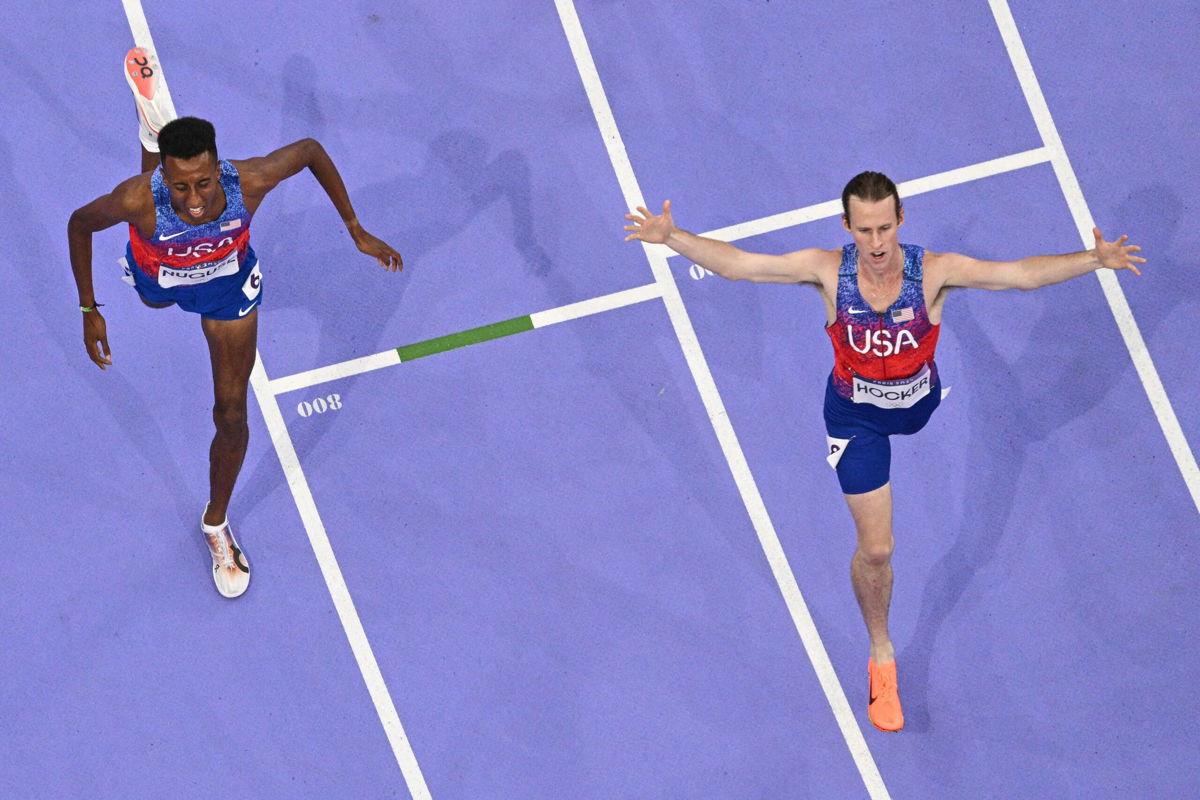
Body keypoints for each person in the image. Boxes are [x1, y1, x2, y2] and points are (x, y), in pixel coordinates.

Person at [622, 173, 1144, 732]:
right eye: (864, 229)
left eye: (885, 228)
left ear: (901, 222)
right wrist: (672, 237)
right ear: (846, 227)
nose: (876, 243)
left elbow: (1017, 276)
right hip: (855, 420)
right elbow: (740, 264)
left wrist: (1093, 260)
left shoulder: (934, 273)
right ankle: (882, 654)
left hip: (918, 404)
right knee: (877, 550)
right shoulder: (827, 271)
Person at [67, 48, 403, 599]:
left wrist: (354, 227)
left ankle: (216, 524)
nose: (195, 200)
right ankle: (154, 137)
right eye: (180, 187)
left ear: (217, 164)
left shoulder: (250, 181)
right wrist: (89, 307)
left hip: (227, 289)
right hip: (160, 276)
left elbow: (310, 150)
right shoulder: (138, 201)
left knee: (231, 411)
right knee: (151, 304)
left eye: (201, 183)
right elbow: (79, 225)